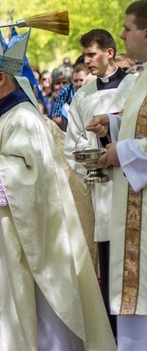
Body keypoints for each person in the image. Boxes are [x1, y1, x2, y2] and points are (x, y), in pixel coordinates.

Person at [0, 26, 115, 350]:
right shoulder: (1, 113)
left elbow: (34, 179)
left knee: (44, 322)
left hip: (36, 244)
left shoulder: (24, 119)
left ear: (3, 79)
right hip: (12, 237)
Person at [64, 29, 137, 337]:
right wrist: (91, 160)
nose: (87, 61)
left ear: (109, 53)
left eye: (92, 54)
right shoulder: (82, 96)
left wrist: (114, 134)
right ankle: (116, 338)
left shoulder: (136, 86)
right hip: (105, 191)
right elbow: (72, 146)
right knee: (111, 271)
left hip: (135, 185)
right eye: (84, 56)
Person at [86, 0, 147, 350]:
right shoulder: (144, 74)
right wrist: (112, 123)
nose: (122, 34)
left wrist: (120, 152)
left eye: (127, 28)